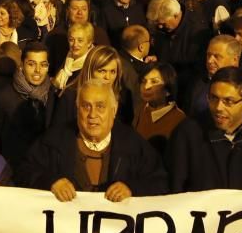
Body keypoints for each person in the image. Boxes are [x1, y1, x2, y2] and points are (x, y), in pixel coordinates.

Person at [21, 80, 167, 201]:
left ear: (114, 111)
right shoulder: (53, 142)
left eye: (100, 106)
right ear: (77, 109)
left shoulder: (134, 145)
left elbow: (160, 182)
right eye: (86, 106)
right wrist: (50, 181)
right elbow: (24, 172)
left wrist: (132, 188)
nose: (92, 114)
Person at [0, 41, 55, 167]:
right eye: (31, 64)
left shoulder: (54, 95)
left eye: (43, 65)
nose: (38, 70)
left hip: (45, 170)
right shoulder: (2, 98)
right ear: (21, 65)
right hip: (14, 171)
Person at [134, 62, 186, 155]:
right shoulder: (141, 108)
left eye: (154, 82)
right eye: (143, 81)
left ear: (168, 90)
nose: (146, 87)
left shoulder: (179, 119)